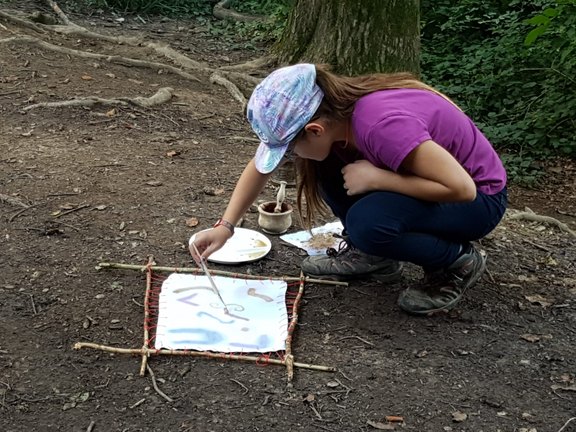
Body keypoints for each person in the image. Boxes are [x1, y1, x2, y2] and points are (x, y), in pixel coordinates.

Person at [190, 63, 507, 315]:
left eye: (288, 148)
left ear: (315, 129)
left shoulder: (382, 126)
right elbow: (260, 167)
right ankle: (375, 256)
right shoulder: (336, 117)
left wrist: (378, 180)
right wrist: (225, 227)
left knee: (369, 222)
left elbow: (463, 188)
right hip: (434, 187)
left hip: (479, 201)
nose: (287, 157)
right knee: (323, 165)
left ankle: (457, 262)